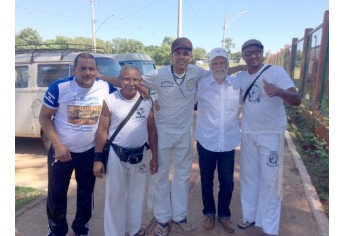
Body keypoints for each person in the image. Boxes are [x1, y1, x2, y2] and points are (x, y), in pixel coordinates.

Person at [98, 37, 245, 236]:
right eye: (178, 53)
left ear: (191, 56)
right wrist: (100, 76)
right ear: (172, 55)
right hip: (163, 131)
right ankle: (162, 217)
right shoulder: (159, 74)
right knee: (160, 176)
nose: (182, 57)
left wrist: (246, 67)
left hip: (184, 132)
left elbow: (220, 70)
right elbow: (129, 81)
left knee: (182, 176)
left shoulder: (197, 72)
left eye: (186, 53)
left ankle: (180, 216)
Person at [39, 52, 117, 236]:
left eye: (92, 68)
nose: (87, 72)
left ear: (97, 70)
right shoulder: (60, 87)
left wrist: (142, 90)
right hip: (61, 150)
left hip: (89, 151)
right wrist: (57, 146)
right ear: (74, 70)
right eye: (83, 68)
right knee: (57, 194)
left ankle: (81, 228)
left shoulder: (105, 87)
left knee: (85, 193)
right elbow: (44, 117)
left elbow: (126, 84)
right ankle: (57, 230)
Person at [236, 39, 301, 236]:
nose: (253, 56)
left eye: (256, 52)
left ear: (263, 53)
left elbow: (296, 99)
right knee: (249, 177)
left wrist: (278, 91)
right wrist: (237, 66)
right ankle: (250, 217)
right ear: (244, 56)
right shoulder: (241, 77)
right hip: (248, 133)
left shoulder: (276, 72)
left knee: (270, 181)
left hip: (271, 134)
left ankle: (270, 227)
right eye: (248, 53)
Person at [92, 65, 158, 236]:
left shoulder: (147, 100)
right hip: (116, 154)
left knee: (137, 196)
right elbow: (102, 130)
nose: (131, 83)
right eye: (127, 79)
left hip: (141, 154)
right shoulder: (110, 100)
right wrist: (98, 159)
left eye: (135, 79)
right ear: (120, 81)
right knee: (115, 197)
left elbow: (151, 129)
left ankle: (134, 229)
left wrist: (154, 157)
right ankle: (114, 233)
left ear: (140, 81)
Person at [194, 47, 241, 234]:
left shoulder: (237, 84)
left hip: (228, 142)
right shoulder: (202, 84)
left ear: (228, 65)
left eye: (223, 63)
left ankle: (224, 215)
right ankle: (209, 213)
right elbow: (185, 98)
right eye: (215, 63)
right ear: (210, 65)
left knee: (227, 182)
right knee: (206, 180)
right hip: (206, 141)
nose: (219, 66)